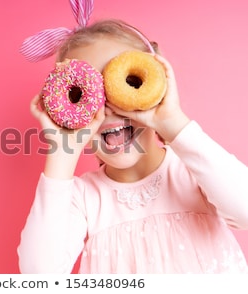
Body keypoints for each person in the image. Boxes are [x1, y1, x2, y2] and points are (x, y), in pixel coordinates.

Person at [17, 18, 248, 274]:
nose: (107, 111)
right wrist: (62, 153)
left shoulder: (194, 172)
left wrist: (172, 122)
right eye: (83, 95)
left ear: (156, 85)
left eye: (127, 84)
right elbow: (38, 275)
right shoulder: (84, 199)